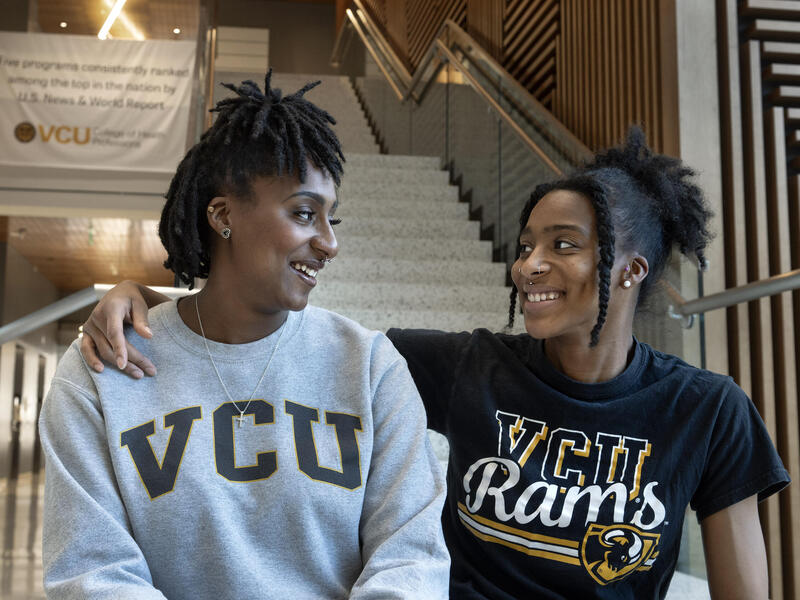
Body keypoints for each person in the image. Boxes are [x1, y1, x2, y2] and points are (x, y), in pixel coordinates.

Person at [79, 128, 790, 599]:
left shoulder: (708, 409)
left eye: (564, 244)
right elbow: (279, 324)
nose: (529, 265)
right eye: (526, 243)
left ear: (633, 269)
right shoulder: (468, 366)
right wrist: (145, 294)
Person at [40, 71, 450, 600]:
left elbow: (410, 558)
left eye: (332, 220)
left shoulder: (370, 366)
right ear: (222, 215)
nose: (328, 243)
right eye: (304, 213)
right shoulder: (102, 367)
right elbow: (89, 571)